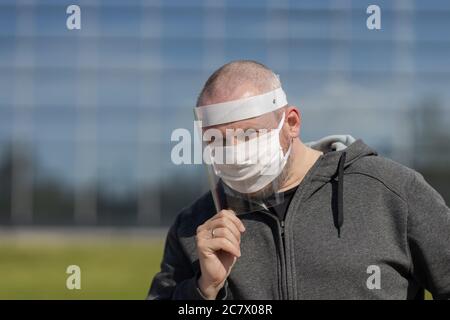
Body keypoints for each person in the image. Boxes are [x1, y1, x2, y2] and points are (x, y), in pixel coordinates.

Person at [148, 60, 450, 300]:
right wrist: (204, 290)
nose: (235, 153)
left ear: (291, 123)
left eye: (249, 134)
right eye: (218, 141)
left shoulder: (392, 191)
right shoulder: (194, 227)